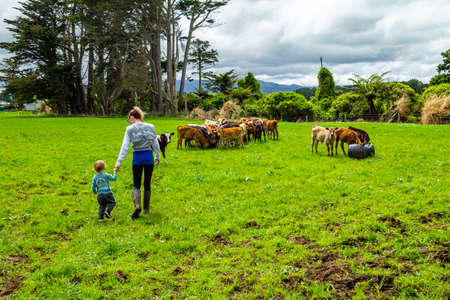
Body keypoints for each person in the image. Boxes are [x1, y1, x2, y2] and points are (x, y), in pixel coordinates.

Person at [114, 106, 160, 219]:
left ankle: (137, 206)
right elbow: (155, 143)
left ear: (133, 117)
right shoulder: (151, 126)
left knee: (136, 185)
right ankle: (146, 209)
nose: (129, 122)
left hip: (137, 158)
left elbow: (125, 147)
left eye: (129, 119)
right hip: (149, 157)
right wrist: (157, 156)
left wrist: (118, 162)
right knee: (147, 184)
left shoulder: (130, 129)